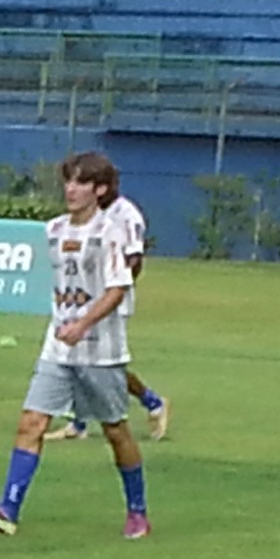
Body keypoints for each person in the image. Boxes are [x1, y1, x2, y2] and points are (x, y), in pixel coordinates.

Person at [0, 151, 150, 540]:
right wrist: (66, 323)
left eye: (81, 182)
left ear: (99, 190)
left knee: (116, 432)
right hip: (58, 347)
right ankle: (6, 512)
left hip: (101, 349)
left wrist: (83, 323)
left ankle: (137, 511)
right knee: (31, 422)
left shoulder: (109, 234)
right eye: (69, 180)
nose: (71, 188)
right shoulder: (54, 230)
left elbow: (118, 288)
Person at [46, 174, 170, 442]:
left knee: (102, 366)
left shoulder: (126, 215)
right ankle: (78, 423)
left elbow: (134, 259)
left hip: (110, 299)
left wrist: (116, 292)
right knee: (78, 359)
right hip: (81, 300)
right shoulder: (86, 213)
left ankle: (152, 402)